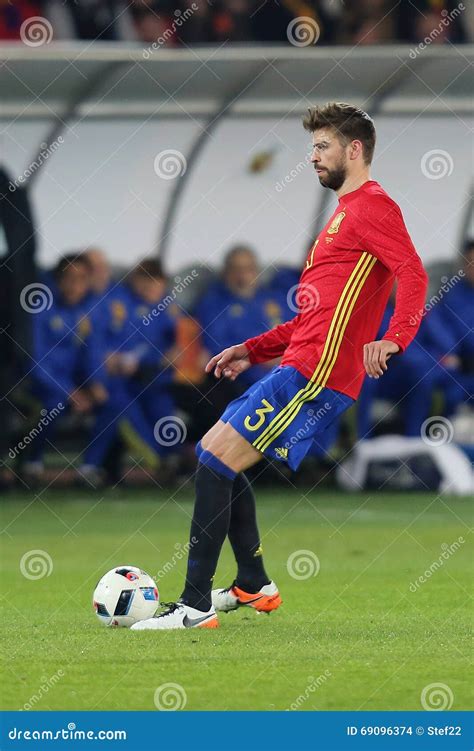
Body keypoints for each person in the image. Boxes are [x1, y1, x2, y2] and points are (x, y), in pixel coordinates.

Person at [132, 101, 428, 631]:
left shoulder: (373, 208)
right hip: (299, 363)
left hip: (319, 374)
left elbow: (413, 273)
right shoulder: (342, 216)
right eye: (312, 146)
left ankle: (195, 605)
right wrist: (253, 348)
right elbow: (316, 317)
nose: (312, 156)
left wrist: (394, 337)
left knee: (215, 460)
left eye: (322, 146)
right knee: (213, 456)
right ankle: (252, 583)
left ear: (354, 150)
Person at [25, 254, 107, 478]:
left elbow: (92, 353)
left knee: (113, 401)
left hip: (75, 385)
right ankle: (31, 463)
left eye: (81, 279)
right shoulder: (39, 307)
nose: (75, 285)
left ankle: (91, 468)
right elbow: (34, 362)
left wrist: (96, 383)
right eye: (69, 278)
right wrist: (68, 391)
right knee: (53, 405)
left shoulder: (89, 310)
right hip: (38, 386)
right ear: (58, 280)